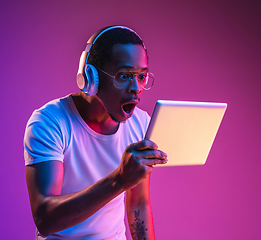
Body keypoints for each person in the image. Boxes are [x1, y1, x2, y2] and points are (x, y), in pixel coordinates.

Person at [23, 26, 168, 240]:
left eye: (142, 76)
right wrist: (119, 180)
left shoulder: (141, 124)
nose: (136, 87)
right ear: (92, 78)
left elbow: (139, 204)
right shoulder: (50, 122)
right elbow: (45, 220)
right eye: (124, 75)